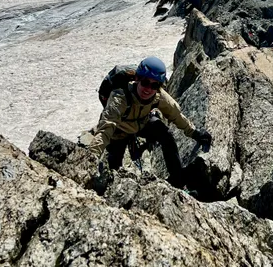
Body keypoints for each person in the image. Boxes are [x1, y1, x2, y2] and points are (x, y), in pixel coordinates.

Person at [87, 56, 212, 188]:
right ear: (137, 79)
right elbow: (106, 129)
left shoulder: (159, 96)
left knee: (166, 136)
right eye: (145, 82)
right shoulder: (120, 97)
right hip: (119, 129)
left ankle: (178, 181)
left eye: (154, 85)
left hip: (142, 122)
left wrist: (195, 133)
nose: (148, 89)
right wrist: (90, 158)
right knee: (115, 167)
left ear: (159, 86)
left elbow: (176, 115)